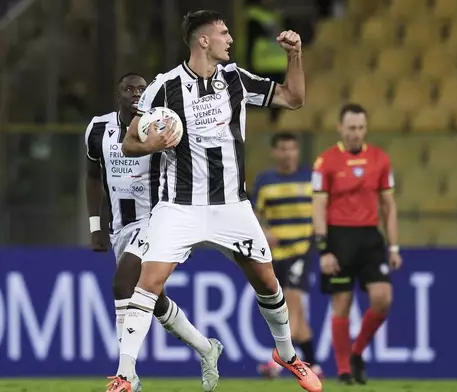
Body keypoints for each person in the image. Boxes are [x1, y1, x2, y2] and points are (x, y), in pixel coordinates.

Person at [107, 10, 321, 392]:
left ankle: (288, 356)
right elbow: (128, 141)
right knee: (148, 282)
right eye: (223, 33)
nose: (230, 39)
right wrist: (151, 143)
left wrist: (295, 56)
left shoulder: (236, 79)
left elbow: (293, 98)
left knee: (268, 282)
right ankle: (124, 375)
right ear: (202, 40)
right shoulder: (164, 86)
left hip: (232, 206)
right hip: (179, 206)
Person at [85, 73, 217, 392]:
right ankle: (207, 349)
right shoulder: (98, 129)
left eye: (141, 89)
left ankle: (126, 376)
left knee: (122, 283)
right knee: (153, 301)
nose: (135, 94)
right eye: (128, 89)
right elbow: (92, 176)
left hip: (158, 219)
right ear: (117, 95)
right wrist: (95, 226)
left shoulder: (162, 124)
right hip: (121, 227)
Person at [311, 103, 402, 385]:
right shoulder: (325, 162)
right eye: (351, 128)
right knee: (342, 302)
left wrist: (394, 246)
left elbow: (389, 206)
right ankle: (343, 370)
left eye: (361, 128)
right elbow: (318, 205)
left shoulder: (380, 159)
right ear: (340, 128)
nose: (356, 133)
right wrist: (324, 249)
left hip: (369, 236)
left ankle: (357, 351)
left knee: (382, 298)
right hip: (339, 237)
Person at [251, 132, 322, 378]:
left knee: (290, 303)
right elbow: (252, 217)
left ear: (297, 151)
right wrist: (264, 232)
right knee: (297, 317)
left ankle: (278, 360)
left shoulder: (310, 179)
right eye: (282, 149)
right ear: (274, 152)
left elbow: (322, 213)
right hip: (275, 255)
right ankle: (314, 364)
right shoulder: (265, 181)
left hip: (302, 250)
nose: (287, 154)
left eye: (292, 149)